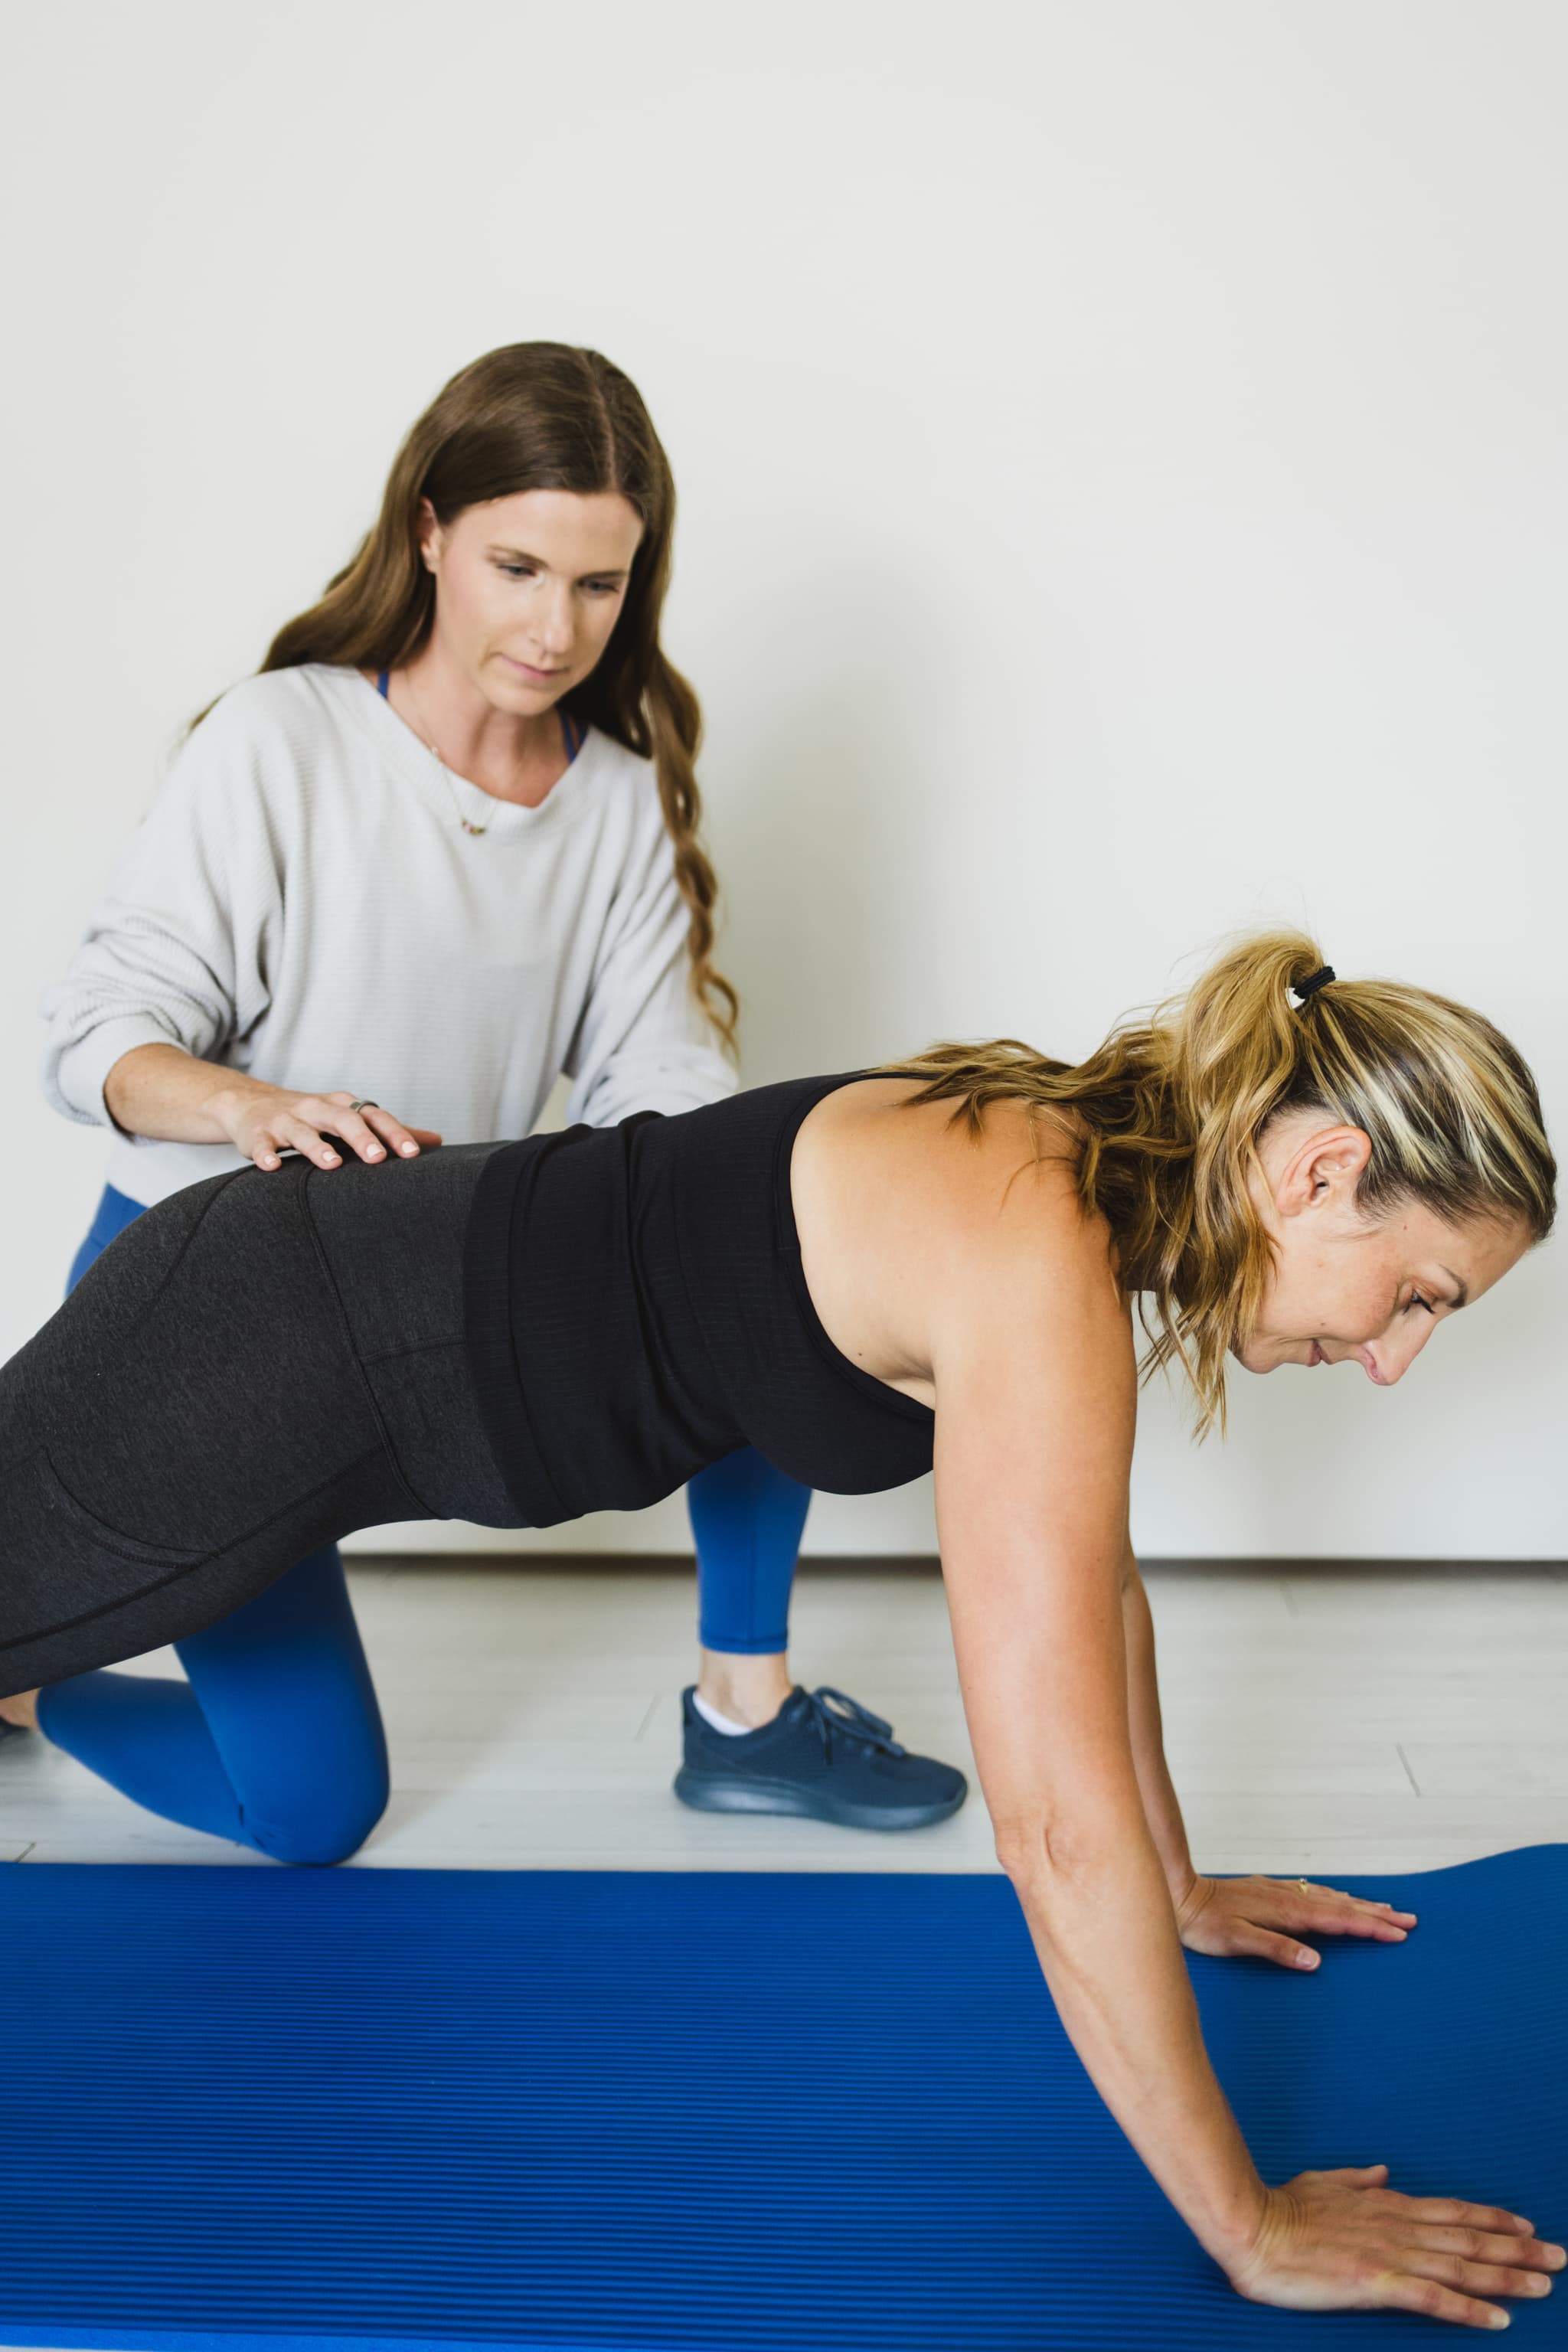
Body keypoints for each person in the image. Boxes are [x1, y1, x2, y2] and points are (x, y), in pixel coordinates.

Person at [2, 929, 1560, 2327]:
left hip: (324, 1382)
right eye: (1418, 1294)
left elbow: (1091, 1583)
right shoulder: (1032, 1245)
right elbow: (1051, 1827)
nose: (1392, 1360)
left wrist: (1177, 1886)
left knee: (309, 1807)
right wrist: (1249, 2223)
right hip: (241, 1373)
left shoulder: (1070, 1177)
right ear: (1317, 1171)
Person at [6, 340, 964, 1855]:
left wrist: (779, 1192)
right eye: (519, 566)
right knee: (314, 1813)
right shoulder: (282, 740)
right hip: (204, 1316)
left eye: (598, 585)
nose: (554, 625)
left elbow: (660, 1074)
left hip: (422, 1305)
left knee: (774, 1242)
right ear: (430, 532)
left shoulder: (615, 793)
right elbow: (96, 1031)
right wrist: (243, 1106)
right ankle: (26, 1693)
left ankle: (746, 1716)